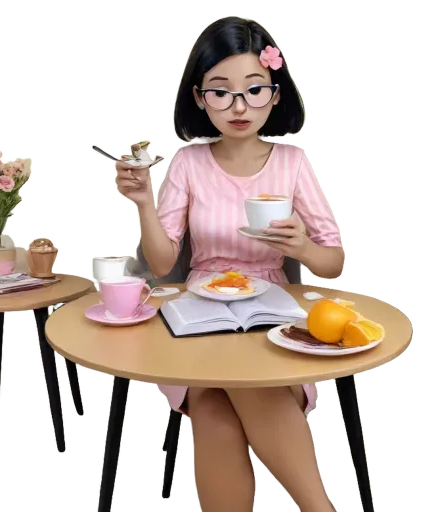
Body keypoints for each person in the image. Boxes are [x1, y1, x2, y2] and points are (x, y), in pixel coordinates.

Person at [114, 16, 344, 512]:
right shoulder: (189, 165)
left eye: (253, 90)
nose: (239, 107)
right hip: (199, 313)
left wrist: (302, 247)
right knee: (216, 415)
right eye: (221, 92)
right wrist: (145, 205)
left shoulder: (292, 164)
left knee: (242, 393)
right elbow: (162, 261)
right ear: (200, 98)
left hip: (274, 316)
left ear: (275, 93)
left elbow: (332, 259)